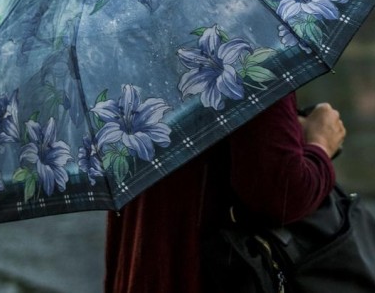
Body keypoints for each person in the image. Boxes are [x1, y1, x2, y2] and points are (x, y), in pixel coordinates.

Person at [104, 93, 346, 292]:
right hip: (204, 274)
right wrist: (321, 143)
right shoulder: (247, 47)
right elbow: (282, 194)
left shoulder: (123, 51)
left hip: (138, 267)